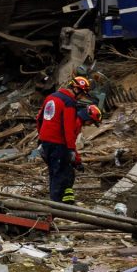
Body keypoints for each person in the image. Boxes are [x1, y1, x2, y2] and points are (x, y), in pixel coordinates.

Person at [37, 76, 94, 204]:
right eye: (82, 93)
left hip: (46, 142)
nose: (81, 97)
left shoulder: (51, 97)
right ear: (75, 89)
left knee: (53, 173)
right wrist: (71, 150)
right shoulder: (69, 102)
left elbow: (39, 119)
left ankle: (54, 205)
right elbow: (68, 129)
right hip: (58, 144)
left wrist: (41, 138)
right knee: (59, 175)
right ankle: (56, 208)